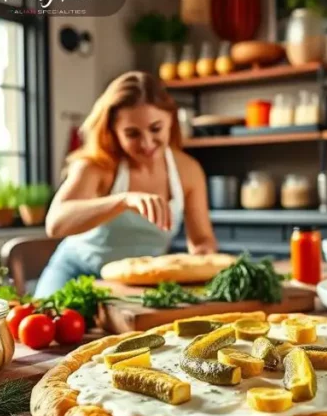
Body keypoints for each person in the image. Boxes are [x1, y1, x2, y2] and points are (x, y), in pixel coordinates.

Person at [35, 71, 218, 296]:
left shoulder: (188, 170)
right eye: (132, 134)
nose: (147, 143)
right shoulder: (97, 166)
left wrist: (202, 256)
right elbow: (55, 223)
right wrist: (124, 200)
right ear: (113, 131)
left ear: (171, 118)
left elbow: (201, 240)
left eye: (156, 128)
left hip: (141, 285)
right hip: (75, 275)